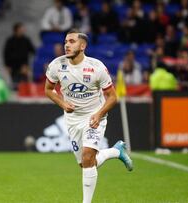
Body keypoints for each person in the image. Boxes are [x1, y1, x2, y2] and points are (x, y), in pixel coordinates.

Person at [45, 29, 133, 203]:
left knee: (87, 157)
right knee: (85, 163)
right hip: (72, 119)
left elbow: (113, 97)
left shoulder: (96, 68)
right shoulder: (57, 65)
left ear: (83, 45)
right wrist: (63, 104)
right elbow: (48, 90)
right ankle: (116, 151)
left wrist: (99, 114)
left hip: (94, 116)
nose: (67, 45)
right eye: (65, 42)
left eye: (71, 41)